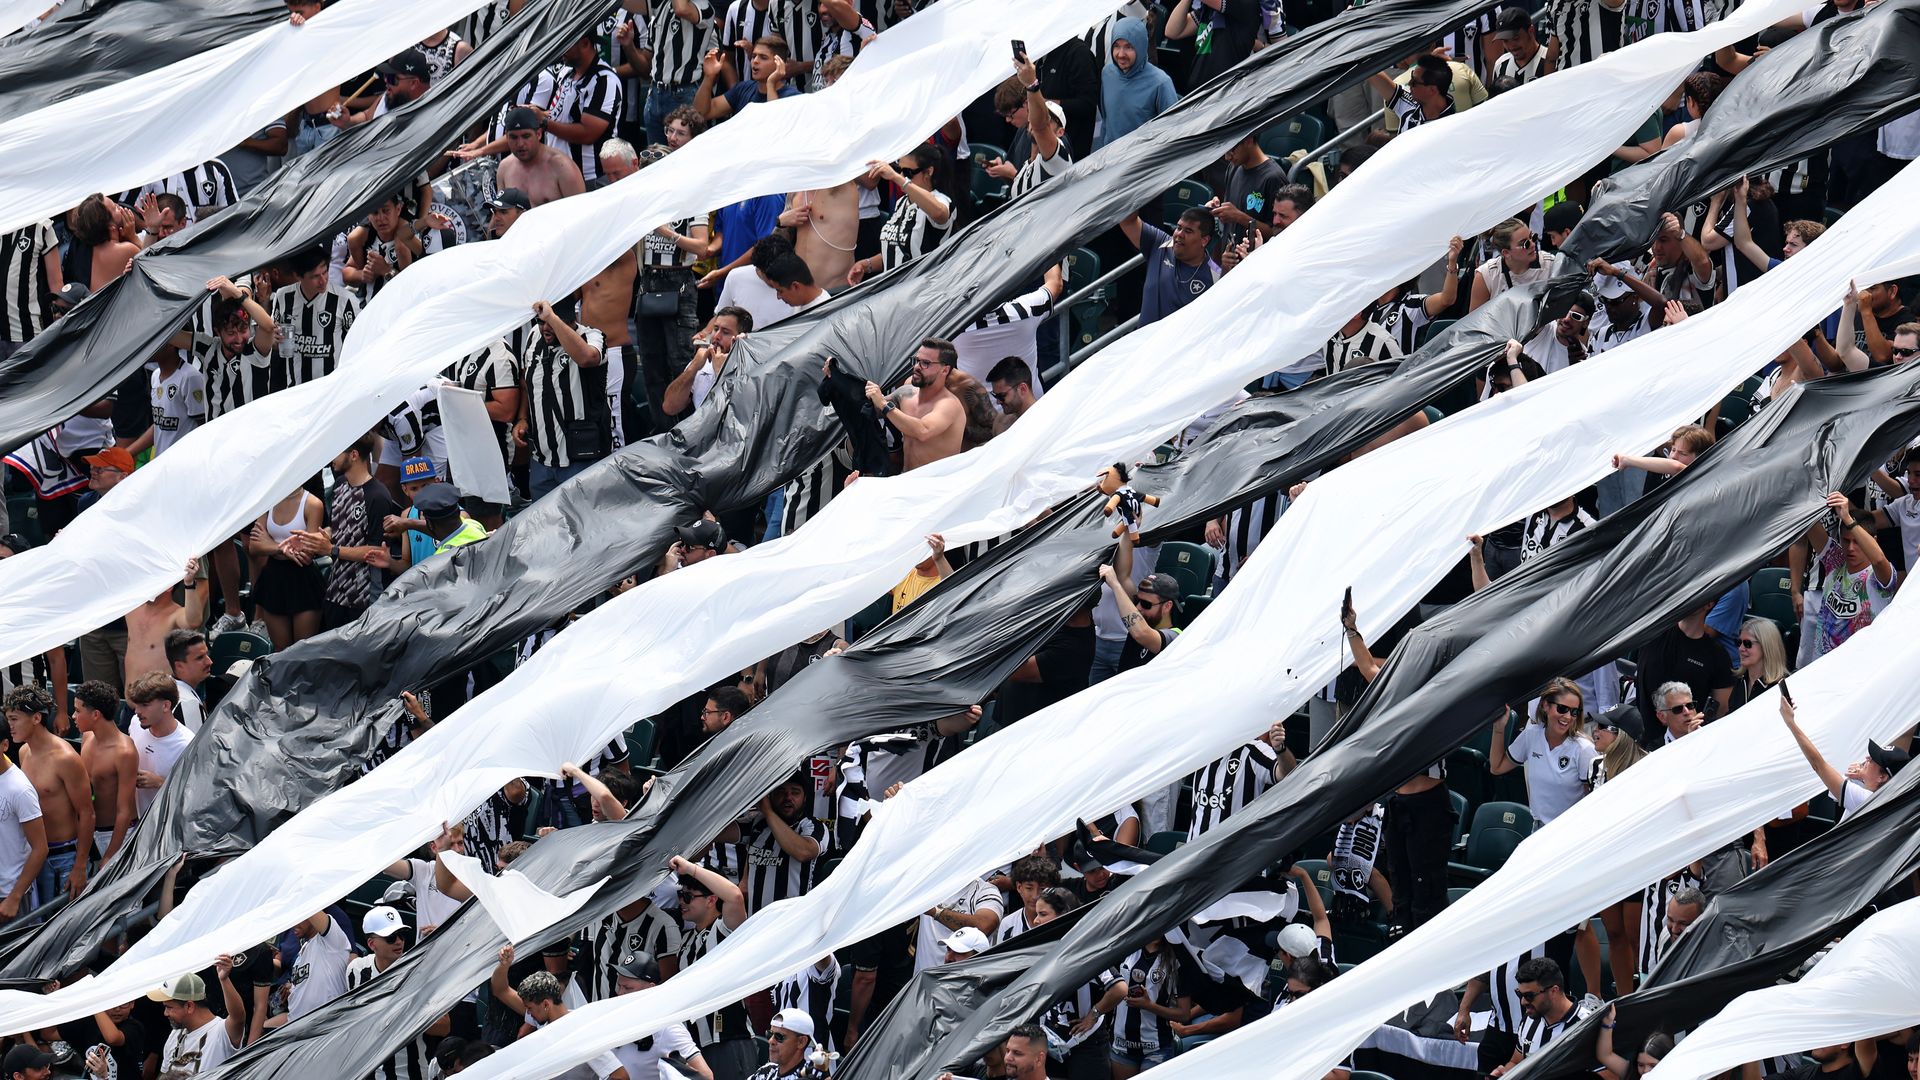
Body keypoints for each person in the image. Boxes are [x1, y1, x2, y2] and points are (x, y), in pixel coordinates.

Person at [3, 688, 92, 907]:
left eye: (14, 719)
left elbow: (87, 813)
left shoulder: (65, 757)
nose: (9, 726)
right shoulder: (24, 752)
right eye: (7, 720)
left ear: (36, 718)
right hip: (34, 857)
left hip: (64, 857)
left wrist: (80, 865)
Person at [671, 855, 755, 1080]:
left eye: (688, 896)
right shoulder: (687, 939)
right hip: (694, 1045)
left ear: (711, 899)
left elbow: (735, 896)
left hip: (728, 1039)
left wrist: (691, 868)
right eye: (680, 895)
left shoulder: (725, 930)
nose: (681, 901)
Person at [514, 298, 610, 497]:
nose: (546, 328)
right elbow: (527, 382)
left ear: (571, 319)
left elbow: (587, 358)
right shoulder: (533, 336)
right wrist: (523, 418)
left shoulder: (592, 335)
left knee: (583, 524)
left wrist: (552, 318)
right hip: (541, 461)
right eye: (541, 322)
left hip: (580, 460)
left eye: (552, 322)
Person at [346, 905, 447, 1078]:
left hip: (410, 1074)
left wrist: (403, 1011)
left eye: (402, 935)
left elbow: (444, 1026)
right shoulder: (356, 970)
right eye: (391, 937)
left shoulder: (420, 971)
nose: (399, 941)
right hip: (367, 1072)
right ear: (371, 944)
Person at [1798, 491, 1897, 662]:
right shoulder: (1835, 562)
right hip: (1821, 665)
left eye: (1857, 541)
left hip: (1856, 669)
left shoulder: (1878, 576)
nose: (1850, 548)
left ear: (1873, 540)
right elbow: (1810, 524)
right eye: (1846, 541)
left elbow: (1880, 559)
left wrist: (1848, 519)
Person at [1780, 694, 1907, 821]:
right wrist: (1861, 777)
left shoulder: (1866, 800)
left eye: (1874, 760)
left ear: (1882, 777)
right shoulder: (1878, 793)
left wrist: (1790, 723)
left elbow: (1819, 765)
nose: (1868, 758)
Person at [1488, 677, 1596, 826]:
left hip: (1570, 831)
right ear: (1546, 705)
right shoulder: (1531, 735)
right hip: (1538, 828)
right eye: (1562, 709)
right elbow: (1497, 767)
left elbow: (1593, 800)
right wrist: (1499, 729)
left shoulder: (1584, 749)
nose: (1568, 717)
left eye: (1574, 712)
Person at [493, 967, 633, 1080]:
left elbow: (620, 1076)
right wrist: (504, 964)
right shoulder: (543, 1023)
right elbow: (501, 990)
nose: (528, 1014)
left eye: (530, 1008)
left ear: (546, 1004)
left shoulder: (582, 1031)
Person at [847, 148, 953, 284]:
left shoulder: (941, 200)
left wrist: (896, 178)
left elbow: (940, 213)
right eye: (899, 170)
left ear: (928, 172)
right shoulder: (902, 202)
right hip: (892, 290)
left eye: (908, 172)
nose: (903, 176)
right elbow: (898, 248)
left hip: (922, 291)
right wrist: (866, 265)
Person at [863, 338, 966, 471]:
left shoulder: (949, 405)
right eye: (917, 361)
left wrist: (882, 403)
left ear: (944, 370)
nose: (917, 367)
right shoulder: (907, 393)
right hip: (907, 479)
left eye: (925, 363)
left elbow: (923, 431)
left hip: (937, 486)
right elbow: (875, 409)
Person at [608, 951, 712, 1079]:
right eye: (619, 986)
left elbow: (706, 1076)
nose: (620, 993)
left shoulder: (667, 1028)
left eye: (628, 988)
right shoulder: (616, 1022)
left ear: (650, 989)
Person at [269, 244, 359, 386]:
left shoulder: (345, 300)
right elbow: (275, 343)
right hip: (296, 389)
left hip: (332, 388)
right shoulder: (283, 297)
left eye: (325, 272)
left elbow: (358, 344)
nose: (323, 280)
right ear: (298, 276)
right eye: (315, 276)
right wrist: (274, 339)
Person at [247, 487, 325, 650]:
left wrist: (268, 543)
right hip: (274, 578)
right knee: (280, 651)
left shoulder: (313, 504)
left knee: (302, 651)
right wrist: (281, 548)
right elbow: (254, 546)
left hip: (303, 580)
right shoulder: (268, 500)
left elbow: (306, 555)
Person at [1117, 209, 1221, 328]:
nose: (1180, 234)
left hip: (1178, 345)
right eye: (1179, 227)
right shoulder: (1159, 243)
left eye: (1188, 231)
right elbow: (1127, 221)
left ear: (1204, 240)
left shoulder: (1215, 278)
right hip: (1143, 342)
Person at [1491, 957, 1593, 1075]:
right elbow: (1516, 1062)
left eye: (1529, 996)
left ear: (1553, 991)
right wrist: (1505, 1074)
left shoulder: (1588, 1024)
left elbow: (1609, 1074)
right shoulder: (1529, 1019)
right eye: (1519, 994)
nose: (1523, 1002)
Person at [73, 680, 136, 864]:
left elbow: (124, 810)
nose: (73, 716)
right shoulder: (87, 737)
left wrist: (110, 854)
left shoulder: (124, 752)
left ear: (95, 715)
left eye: (78, 710)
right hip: (88, 832)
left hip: (116, 835)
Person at [149, 966, 246, 1078]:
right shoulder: (175, 1035)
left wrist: (224, 980)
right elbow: (164, 1074)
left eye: (169, 1007)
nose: (165, 1013)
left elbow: (238, 1017)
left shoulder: (221, 1032)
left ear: (189, 1006)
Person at [1096, 17, 1175, 151]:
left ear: (1141, 46)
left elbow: (1172, 131)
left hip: (1142, 163)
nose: (1121, 54)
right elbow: (1106, 121)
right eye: (1116, 46)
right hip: (1109, 160)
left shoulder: (1161, 83)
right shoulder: (1107, 73)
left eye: (1128, 47)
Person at [126, 671, 193, 823]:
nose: (137, 711)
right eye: (136, 705)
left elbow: (193, 796)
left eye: (144, 705)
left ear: (166, 705)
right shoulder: (135, 723)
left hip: (164, 828)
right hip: (134, 824)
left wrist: (159, 783)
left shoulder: (187, 744)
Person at [495, 107, 588, 207]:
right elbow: (502, 214)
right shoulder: (504, 168)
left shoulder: (562, 167)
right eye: (514, 137)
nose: (520, 144)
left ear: (538, 134)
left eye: (526, 136)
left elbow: (582, 213)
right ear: (507, 137)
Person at [1470, 218, 1550, 311]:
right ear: (1506, 253)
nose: (1532, 244)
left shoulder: (1550, 264)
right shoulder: (1486, 275)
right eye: (1525, 243)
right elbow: (1474, 322)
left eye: (1533, 237)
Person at [1595, 1009, 1674, 1080]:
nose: (1645, 1070)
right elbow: (1605, 1055)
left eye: (1653, 1065)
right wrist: (1608, 1022)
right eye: (1641, 1065)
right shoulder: (1633, 1074)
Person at [1731, 616, 1789, 710]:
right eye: (1739, 642)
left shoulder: (1781, 687)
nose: (1741, 648)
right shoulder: (1741, 680)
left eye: (1747, 644)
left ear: (1766, 646)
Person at [888, 534, 950, 614]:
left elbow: (952, 594)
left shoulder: (942, 582)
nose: (918, 554)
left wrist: (939, 558)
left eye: (924, 549)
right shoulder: (903, 574)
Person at [749, 1008, 816, 1080]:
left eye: (779, 1036)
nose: (771, 1041)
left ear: (801, 1042)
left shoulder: (811, 1076)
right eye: (770, 1034)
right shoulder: (766, 1071)